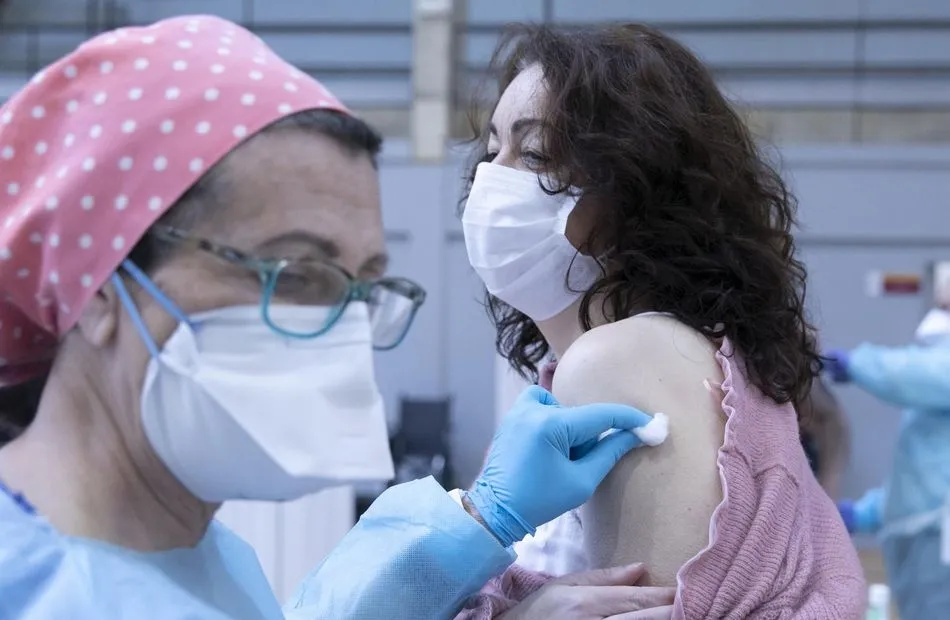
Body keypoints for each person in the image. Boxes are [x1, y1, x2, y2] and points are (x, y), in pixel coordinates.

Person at [0, 16, 677, 619]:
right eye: (296, 272)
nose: (341, 338)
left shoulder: (199, 557)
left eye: (362, 289)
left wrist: (484, 517)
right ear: (100, 287)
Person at [456, 23, 865, 618]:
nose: (490, 179)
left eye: (535, 155)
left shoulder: (623, 361)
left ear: (635, 193)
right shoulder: (662, 357)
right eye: (493, 150)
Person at [825, 302, 950, 620]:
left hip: (938, 541)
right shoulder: (933, 418)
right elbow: (925, 478)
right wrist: (866, 514)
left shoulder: (938, 378)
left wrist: (859, 365)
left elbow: (920, 374)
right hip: (925, 539)